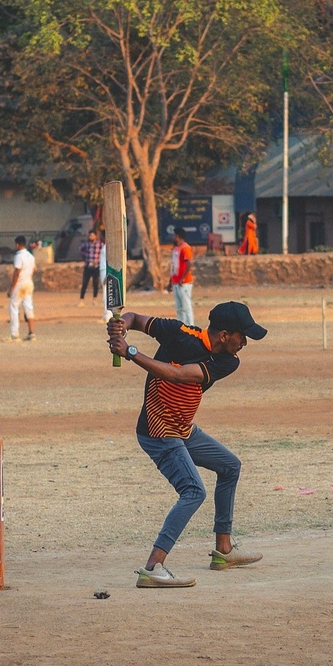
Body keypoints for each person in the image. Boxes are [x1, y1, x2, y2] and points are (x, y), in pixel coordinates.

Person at [106, 301, 268, 588]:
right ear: (223, 335)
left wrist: (129, 351)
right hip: (158, 431)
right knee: (193, 491)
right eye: (242, 336)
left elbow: (177, 374)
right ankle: (153, 567)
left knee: (230, 466)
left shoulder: (227, 361)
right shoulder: (178, 331)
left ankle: (224, 550)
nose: (244, 343)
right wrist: (121, 324)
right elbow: (135, 318)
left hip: (182, 430)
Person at [5, 235, 36, 342]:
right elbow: (34, 269)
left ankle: (14, 334)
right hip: (29, 283)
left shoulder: (19, 256)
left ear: (17, 244)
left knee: (13, 307)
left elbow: (16, 273)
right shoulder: (30, 256)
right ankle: (31, 333)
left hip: (20, 284)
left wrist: (11, 288)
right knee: (28, 307)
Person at [167, 226, 195, 326]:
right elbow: (174, 266)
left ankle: (190, 327)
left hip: (184, 283)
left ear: (178, 236)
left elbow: (189, 263)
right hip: (175, 281)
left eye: (174, 235)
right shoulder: (176, 249)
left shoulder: (185, 248)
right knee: (179, 308)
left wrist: (182, 279)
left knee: (186, 307)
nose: (173, 237)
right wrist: (170, 281)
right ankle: (181, 327)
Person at [79, 230, 104, 302]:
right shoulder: (86, 244)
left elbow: (104, 252)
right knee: (85, 283)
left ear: (95, 236)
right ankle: (81, 299)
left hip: (96, 266)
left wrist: (100, 260)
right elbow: (80, 249)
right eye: (90, 235)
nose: (91, 237)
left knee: (95, 283)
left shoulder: (100, 244)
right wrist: (84, 256)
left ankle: (94, 299)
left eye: (92, 235)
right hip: (88, 266)